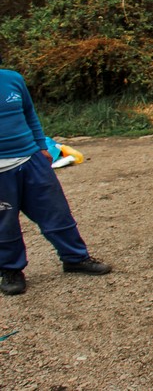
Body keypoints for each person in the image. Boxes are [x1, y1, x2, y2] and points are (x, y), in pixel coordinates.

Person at [0, 69, 112, 296]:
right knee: (4, 224)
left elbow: (29, 113)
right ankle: (11, 271)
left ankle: (75, 258)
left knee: (56, 212)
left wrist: (41, 146)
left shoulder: (12, 79)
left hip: (31, 158)